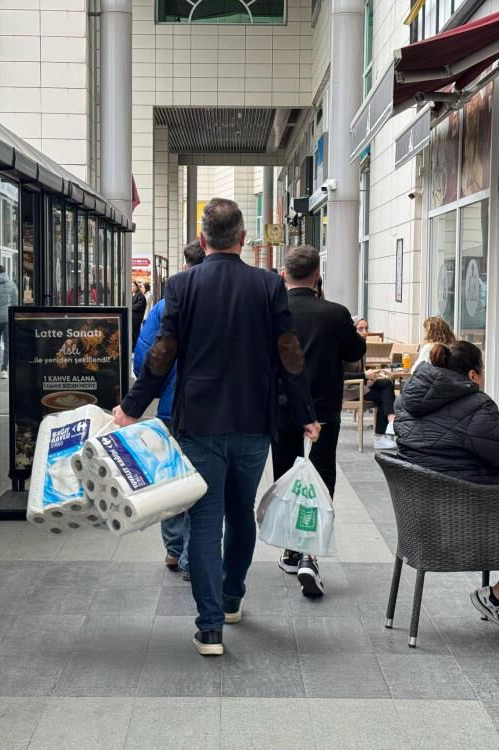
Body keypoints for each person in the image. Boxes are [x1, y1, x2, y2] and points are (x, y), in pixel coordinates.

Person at [112, 198, 320, 657]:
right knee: (239, 510)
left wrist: (132, 406)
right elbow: (289, 351)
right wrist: (305, 412)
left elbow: (163, 352)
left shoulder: (182, 286)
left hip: (200, 421)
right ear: (243, 239)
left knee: (205, 522)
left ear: (203, 240)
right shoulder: (268, 285)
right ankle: (230, 599)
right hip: (253, 420)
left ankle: (209, 629)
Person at [394, 341, 499, 637]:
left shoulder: (406, 403)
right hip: (468, 525)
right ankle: (497, 596)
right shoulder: (476, 405)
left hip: (422, 522)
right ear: (473, 375)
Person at [272, 245, 365, 598]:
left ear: (284, 275)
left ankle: (291, 548)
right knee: (323, 473)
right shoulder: (335, 313)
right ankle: (311, 550)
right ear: (317, 275)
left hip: (281, 408)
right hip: (323, 407)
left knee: (285, 474)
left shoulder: (275, 311)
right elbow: (355, 352)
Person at [133, 241, 206, 580]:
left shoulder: (165, 305)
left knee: (173, 477)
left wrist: (160, 389)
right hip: (210, 410)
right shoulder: (219, 301)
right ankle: (194, 554)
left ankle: (174, 550)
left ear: (185, 262)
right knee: (204, 480)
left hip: (171, 406)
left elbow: (143, 355)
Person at [346, 316, 397, 451]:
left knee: (386, 384)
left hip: (360, 386)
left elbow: (360, 372)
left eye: (366, 328)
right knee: (385, 388)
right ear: (352, 330)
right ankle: (383, 432)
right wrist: (364, 376)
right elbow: (339, 375)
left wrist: (368, 380)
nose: (365, 332)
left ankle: (387, 428)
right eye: (360, 329)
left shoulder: (361, 347)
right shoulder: (344, 348)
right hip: (347, 390)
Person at [0, 264, 18, 378]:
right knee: (7, 343)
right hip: (7, 318)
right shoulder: (12, 284)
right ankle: (4, 369)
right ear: (5, 272)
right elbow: (15, 302)